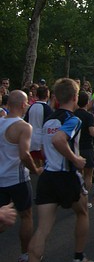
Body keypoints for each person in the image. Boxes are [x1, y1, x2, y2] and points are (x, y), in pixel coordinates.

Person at [29, 78, 91, 262]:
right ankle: (79, 256)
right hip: (67, 176)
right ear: (75, 97)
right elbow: (58, 140)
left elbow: (42, 147)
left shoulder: (49, 120)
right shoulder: (73, 120)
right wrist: (75, 158)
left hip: (48, 176)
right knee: (82, 213)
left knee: (43, 228)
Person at [0, 90, 42, 262]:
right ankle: (25, 254)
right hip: (17, 179)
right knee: (26, 215)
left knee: (2, 217)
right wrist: (35, 170)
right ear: (24, 104)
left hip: (1, 179)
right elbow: (24, 154)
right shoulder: (24, 127)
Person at [74, 92, 94, 197]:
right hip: (87, 147)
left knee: (77, 173)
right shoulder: (89, 116)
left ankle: (77, 196)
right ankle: (84, 198)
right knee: (88, 175)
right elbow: (93, 132)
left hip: (75, 148)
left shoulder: (73, 114)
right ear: (87, 102)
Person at [24, 85, 53, 168]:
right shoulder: (47, 108)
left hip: (31, 137)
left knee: (35, 161)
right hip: (42, 139)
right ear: (47, 95)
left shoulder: (31, 107)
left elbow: (26, 121)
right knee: (45, 162)